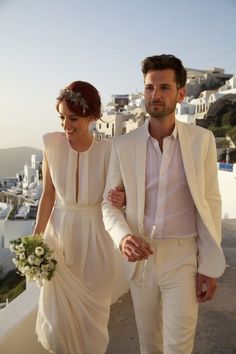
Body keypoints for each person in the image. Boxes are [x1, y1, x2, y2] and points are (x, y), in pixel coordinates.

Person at [102, 54, 226, 354]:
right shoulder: (122, 145)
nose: (155, 95)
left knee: (177, 347)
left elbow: (210, 202)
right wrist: (123, 238)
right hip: (140, 259)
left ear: (181, 93)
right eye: (149, 88)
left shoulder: (202, 140)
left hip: (183, 258)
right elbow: (109, 205)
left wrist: (208, 265)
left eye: (164, 88)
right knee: (149, 345)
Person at [34, 80, 125, 354]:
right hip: (59, 241)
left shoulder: (110, 151)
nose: (66, 125)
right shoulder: (51, 144)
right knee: (58, 325)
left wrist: (125, 199)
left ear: (93, 117)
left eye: (73, 118)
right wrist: (35, 239)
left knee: (91, 325)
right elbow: (48, 195)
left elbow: (118, 198)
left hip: (96, 243)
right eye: (62, 117)